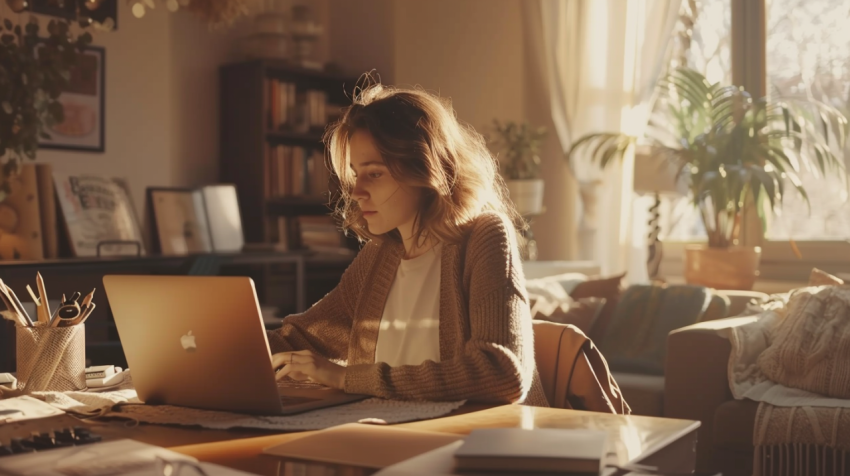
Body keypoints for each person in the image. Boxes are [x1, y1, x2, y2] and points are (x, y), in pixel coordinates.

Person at [267, 79, 547, 406]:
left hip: (479, 445)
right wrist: (215, 350)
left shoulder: (483, 237)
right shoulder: (380, 256)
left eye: (374, 173)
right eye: (356, 174)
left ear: (426, 169)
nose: (356, 193)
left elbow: (501, 374)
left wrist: (348, 378)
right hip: (395, 437)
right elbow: (301, 339)